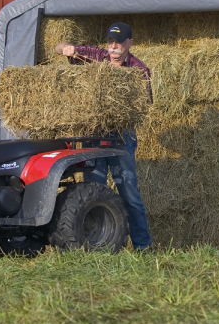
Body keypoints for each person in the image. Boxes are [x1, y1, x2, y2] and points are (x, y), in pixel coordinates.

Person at [55, 22, 152, 249]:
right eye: (110, 42)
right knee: (92, 191)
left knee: (129, 192)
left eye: (119, 43)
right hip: (93, 136)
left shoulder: (138, 70)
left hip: (121, 138)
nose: (114, 47)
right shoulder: (96, 57)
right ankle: (95, 245)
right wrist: (66, 49)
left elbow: (145, 105)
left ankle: (143, 246)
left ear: (130, 44)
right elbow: (60, 46)